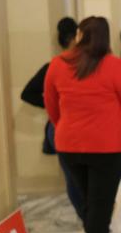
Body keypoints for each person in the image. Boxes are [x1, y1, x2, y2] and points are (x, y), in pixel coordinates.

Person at [44, 16, 121, 233]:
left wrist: (65, 126)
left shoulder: (58, 64)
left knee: (90, 201)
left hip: (69, 145)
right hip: (107, 146)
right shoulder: (112, 65)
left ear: (79, 35)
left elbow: (51, 105)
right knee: (100, 202)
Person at [20, 17, 85, 221]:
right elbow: (28, 93)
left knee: (78, 179)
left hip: (75, 127)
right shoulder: (55, 66)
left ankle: (90, 220)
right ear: (74, 38)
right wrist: (52, 105)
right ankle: (89, 220)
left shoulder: (82, 65)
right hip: (64, 127)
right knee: (76, 179)